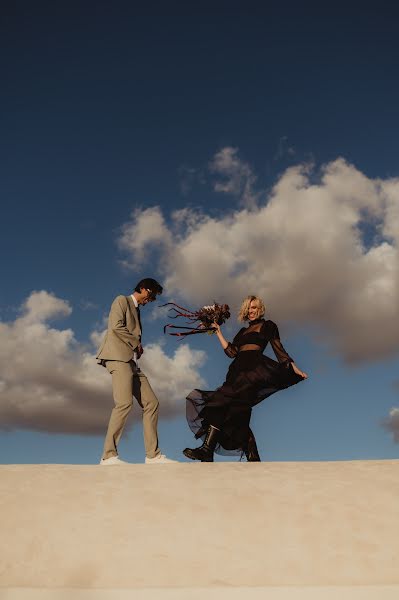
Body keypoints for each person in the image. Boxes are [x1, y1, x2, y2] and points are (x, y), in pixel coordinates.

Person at [184, 295, 308, 462]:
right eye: (249, 308)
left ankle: (207, 449)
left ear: (260, 309)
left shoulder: (268, 326)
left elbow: (279, 350)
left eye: (254, 308)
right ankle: (252, 455)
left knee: (221, 402)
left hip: (253, 373)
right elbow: (232, 352)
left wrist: (294, 368)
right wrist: (218, 332)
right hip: (236, 371)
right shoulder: (242, 332)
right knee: (236, 412)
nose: (251, 311)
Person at [97, 278, 177, 465]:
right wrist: (136, 343)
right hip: (117, 357)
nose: (151, 299)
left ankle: (153, 455)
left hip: (131, 362)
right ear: (142, 288)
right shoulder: (121, 301)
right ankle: (108, 455)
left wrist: (135, 348)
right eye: (151, 295)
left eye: (154, 297)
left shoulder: (137, 310)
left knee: (152, 403)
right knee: (124, 404)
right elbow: (116, 326)